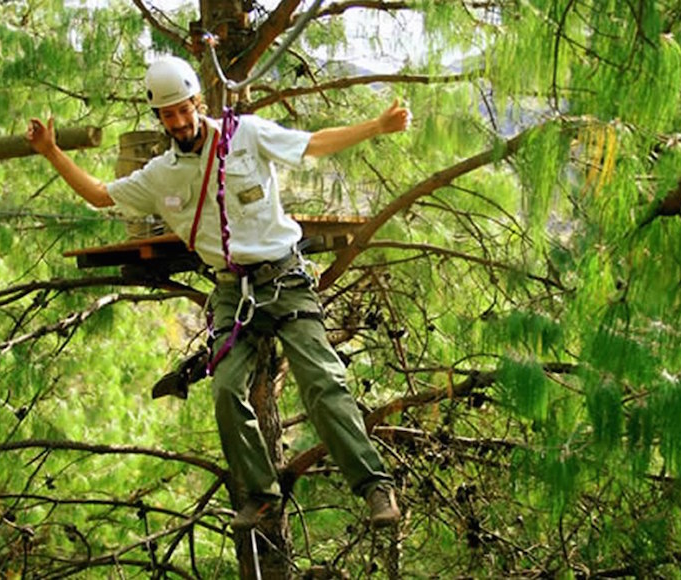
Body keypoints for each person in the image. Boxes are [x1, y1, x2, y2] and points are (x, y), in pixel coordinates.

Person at [27, 55, 412, 530]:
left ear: (198, 103)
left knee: (322, 383)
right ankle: (262, 496)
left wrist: (376, 125)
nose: (179, 121)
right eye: (168, 115)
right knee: (227, 390)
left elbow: (311, 144)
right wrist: (51, 152)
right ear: (160, 119)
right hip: (233, 291)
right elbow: (101, 195)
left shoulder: (246, 135)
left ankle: (375, 486)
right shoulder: (161, 174)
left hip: (284, 280)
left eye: (184, 109)